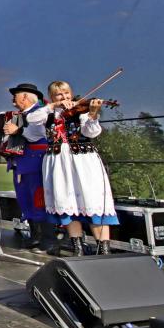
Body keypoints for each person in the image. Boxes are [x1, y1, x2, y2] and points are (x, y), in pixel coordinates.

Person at [41, 81, 118, 256]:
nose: (65, 97)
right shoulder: (48, 114)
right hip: (59, 163)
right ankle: (78, 248)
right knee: (66, 202)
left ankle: (103, 249)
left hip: (83, 161)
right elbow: (32, 118)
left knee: (93, 201)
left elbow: (92, 132)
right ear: (52, 97)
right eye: (59, 94)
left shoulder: (81, 111)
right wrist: (53, 106)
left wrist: (93, 114)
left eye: (67, 93)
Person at [1, 83, 54, 254]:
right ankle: (35, 236)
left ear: (25, 96)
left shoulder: (40, 112)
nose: (13, 98)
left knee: (39, 200)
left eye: (16, 95)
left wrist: (18, 131)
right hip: (20, 164)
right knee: (26, 200)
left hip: (34, 163)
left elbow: (37, 134)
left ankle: (48, 239)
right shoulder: (18, 116)